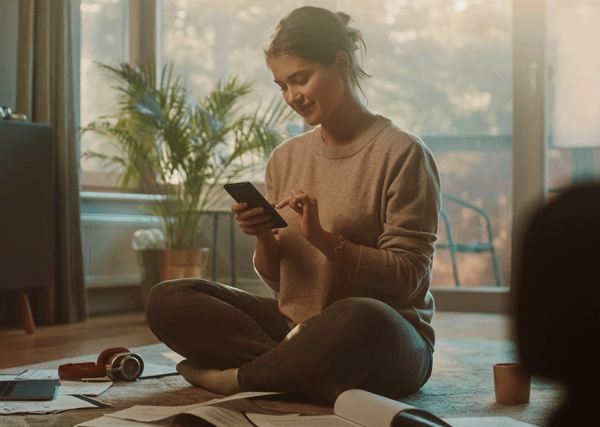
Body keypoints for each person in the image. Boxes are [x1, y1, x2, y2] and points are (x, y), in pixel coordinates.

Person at [146, 6, 441, 402]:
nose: (291, 97)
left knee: (359, 314)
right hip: (296, 328)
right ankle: (304, 373)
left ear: (340, 63)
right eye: (281, 85)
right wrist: (264, 236)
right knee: (168, 299)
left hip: (383, 337)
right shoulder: (285, 158)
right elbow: (284, 285)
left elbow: (408, 277)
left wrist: (322, 238)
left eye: (301, 79)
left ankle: (240, 380)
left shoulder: (403, 153)